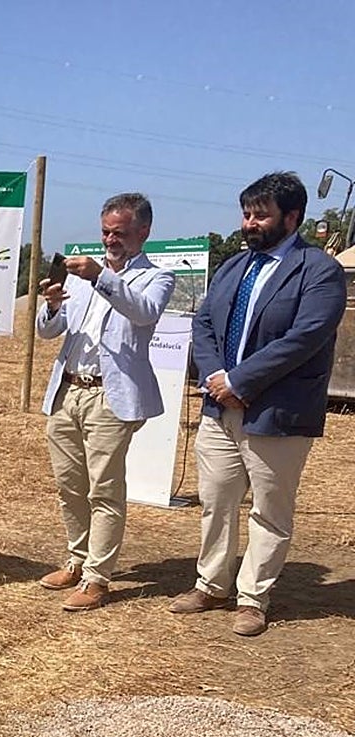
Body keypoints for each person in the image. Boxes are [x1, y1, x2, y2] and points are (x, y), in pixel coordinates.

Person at [171, 172, 347, 636]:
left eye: (261, 215)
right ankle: (212, 584)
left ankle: (254, 597)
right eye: (246, 214)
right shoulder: (235, 267)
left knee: (269, 509)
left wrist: (241, 381)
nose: (250, 223)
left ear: (292, 217)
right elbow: (204, 321)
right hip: (220, 408)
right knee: (216, 501)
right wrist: (216, 378)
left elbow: (306, 337)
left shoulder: (319, 270)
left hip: (278, 412)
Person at [33, 193, 175, 611]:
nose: (110, 240)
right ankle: (76, 561)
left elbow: (144, 313)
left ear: (144, 231)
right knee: (68, 485)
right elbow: (49, 332)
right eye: (106, 232)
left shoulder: (155, 277)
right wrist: (54, 305)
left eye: (120, 233)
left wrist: (100, 277)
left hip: (110, 397)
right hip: (68, 390)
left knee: (104, 489)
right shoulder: (80, 275)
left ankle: (98, 578)